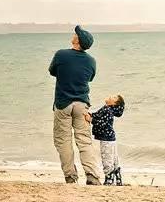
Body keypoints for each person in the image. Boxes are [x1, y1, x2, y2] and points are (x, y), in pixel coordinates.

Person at [48, 25, 102, 185]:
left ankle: (71, 177)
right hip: (82, 104)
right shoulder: (91, 60)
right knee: (84, 141)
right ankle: (92, 176)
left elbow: (52, 71)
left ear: (77, 41)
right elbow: (90, 78)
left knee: (63, 140)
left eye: (76, 34)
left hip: (62, 104)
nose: (73, 35)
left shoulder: (61, 55)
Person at [86, 94, 125, 185]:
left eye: (114, 97)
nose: (111, 96)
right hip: (111, 138)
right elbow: (98, 115)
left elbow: (102, 123)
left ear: (114, 103)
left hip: (107, 139)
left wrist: (90, 120)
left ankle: (109, 179)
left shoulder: (108, 110)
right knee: (114, 158)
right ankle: (118, 178)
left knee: (107, 158)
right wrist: (91, 115)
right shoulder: (107, 108)